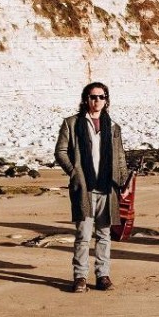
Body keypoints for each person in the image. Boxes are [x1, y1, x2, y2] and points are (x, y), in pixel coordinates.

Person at [55, 82, 131, 293]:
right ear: (85, 99)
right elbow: (60, 152)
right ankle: (80, 277)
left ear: (106, 100)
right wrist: (75, 172)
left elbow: (120, 158)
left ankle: (102, 276)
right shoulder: (72, 124)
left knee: (104, 235)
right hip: (84, 188)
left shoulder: (114, 127)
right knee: (83, 235)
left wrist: (124, 183)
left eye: (101, 97)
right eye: (92, 97)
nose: (97, 101)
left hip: (108, 188)